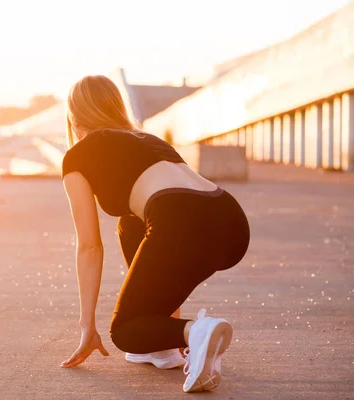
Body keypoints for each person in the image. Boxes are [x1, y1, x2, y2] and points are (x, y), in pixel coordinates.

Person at [59, 75, 250, 393]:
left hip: (180, 217)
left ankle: (198, 331)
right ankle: (163, 345)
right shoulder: (148, 139)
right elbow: (172, 229)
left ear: (74, 119)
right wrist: (165, 327)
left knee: (125, 331)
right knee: (131, 223)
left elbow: (90, 247)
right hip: (230, 220)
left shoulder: (77, 155)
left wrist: (87, 326)